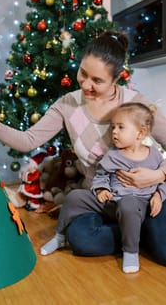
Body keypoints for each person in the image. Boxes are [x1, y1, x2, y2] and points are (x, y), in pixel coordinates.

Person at [0, 31, 166, 265]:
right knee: (82, 240)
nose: (86, 84)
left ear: (116, 79)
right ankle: (134, 232)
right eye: (83, 73)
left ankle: (136, 228)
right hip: (101, 199)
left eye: (97, 80)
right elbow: (29, 140)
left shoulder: (137, 104)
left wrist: (159, 174)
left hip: (145, 196)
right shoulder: (67, 105)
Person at [53, 102, 166, 273]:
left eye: (121, 127)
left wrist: (159, 194)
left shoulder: (154, 155)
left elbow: (162, 182)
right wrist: (101, 189)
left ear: (140, 133)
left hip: (140, 204)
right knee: (75, 196)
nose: (114, 132)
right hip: (112, 203)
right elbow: (102, 175)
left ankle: (130, 250)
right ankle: (59, 236)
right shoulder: (113, 155)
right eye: (113, 127)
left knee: (128, 203)